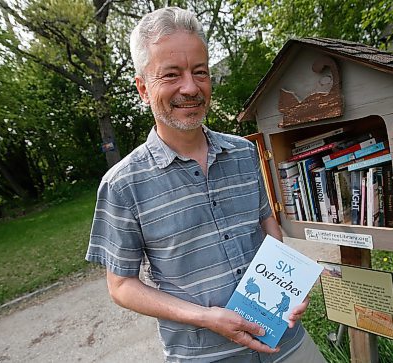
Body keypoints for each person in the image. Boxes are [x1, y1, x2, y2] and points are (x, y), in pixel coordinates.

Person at [86, 6, 326, 363]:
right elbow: (121, 286)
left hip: (285, 342)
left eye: (200, 72)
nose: (190, 87)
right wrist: (205, 317)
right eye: (171, 74)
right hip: (204, 356)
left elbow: (268, 227)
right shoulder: (122, 185)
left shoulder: (245, 153)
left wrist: (286, 288)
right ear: (142, 88)